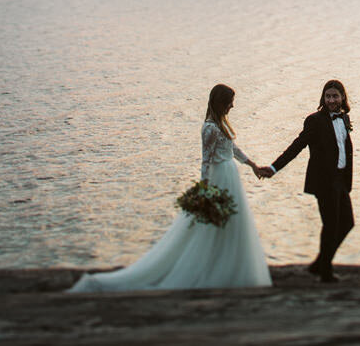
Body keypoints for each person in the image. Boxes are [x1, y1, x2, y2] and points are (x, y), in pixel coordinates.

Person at [68, 84, 272, 292]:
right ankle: (208, 269)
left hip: (230, 177)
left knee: (230, 226)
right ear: (220, 102)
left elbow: (232, 149)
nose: (232, 106)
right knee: (210, 227)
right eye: (229, 102)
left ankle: (226, 268)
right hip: (219, 179)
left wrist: (252, 165)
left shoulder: (220, 125)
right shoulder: (209, 128)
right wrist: (205, 190)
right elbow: (206, 161)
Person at [259, 80, 354, 283]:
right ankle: (325, 272)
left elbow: (345, 149)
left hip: (340, 179)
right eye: (328, 96)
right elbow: (297, 146)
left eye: (335, 96)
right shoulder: (315, 121)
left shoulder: (344, 118)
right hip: (324, 181)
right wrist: (274, 168)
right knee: (330, 225)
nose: (331, 100)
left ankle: (319, 264)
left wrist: (346, 179)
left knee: (347, 223)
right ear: (323, 98)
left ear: (342, 98)